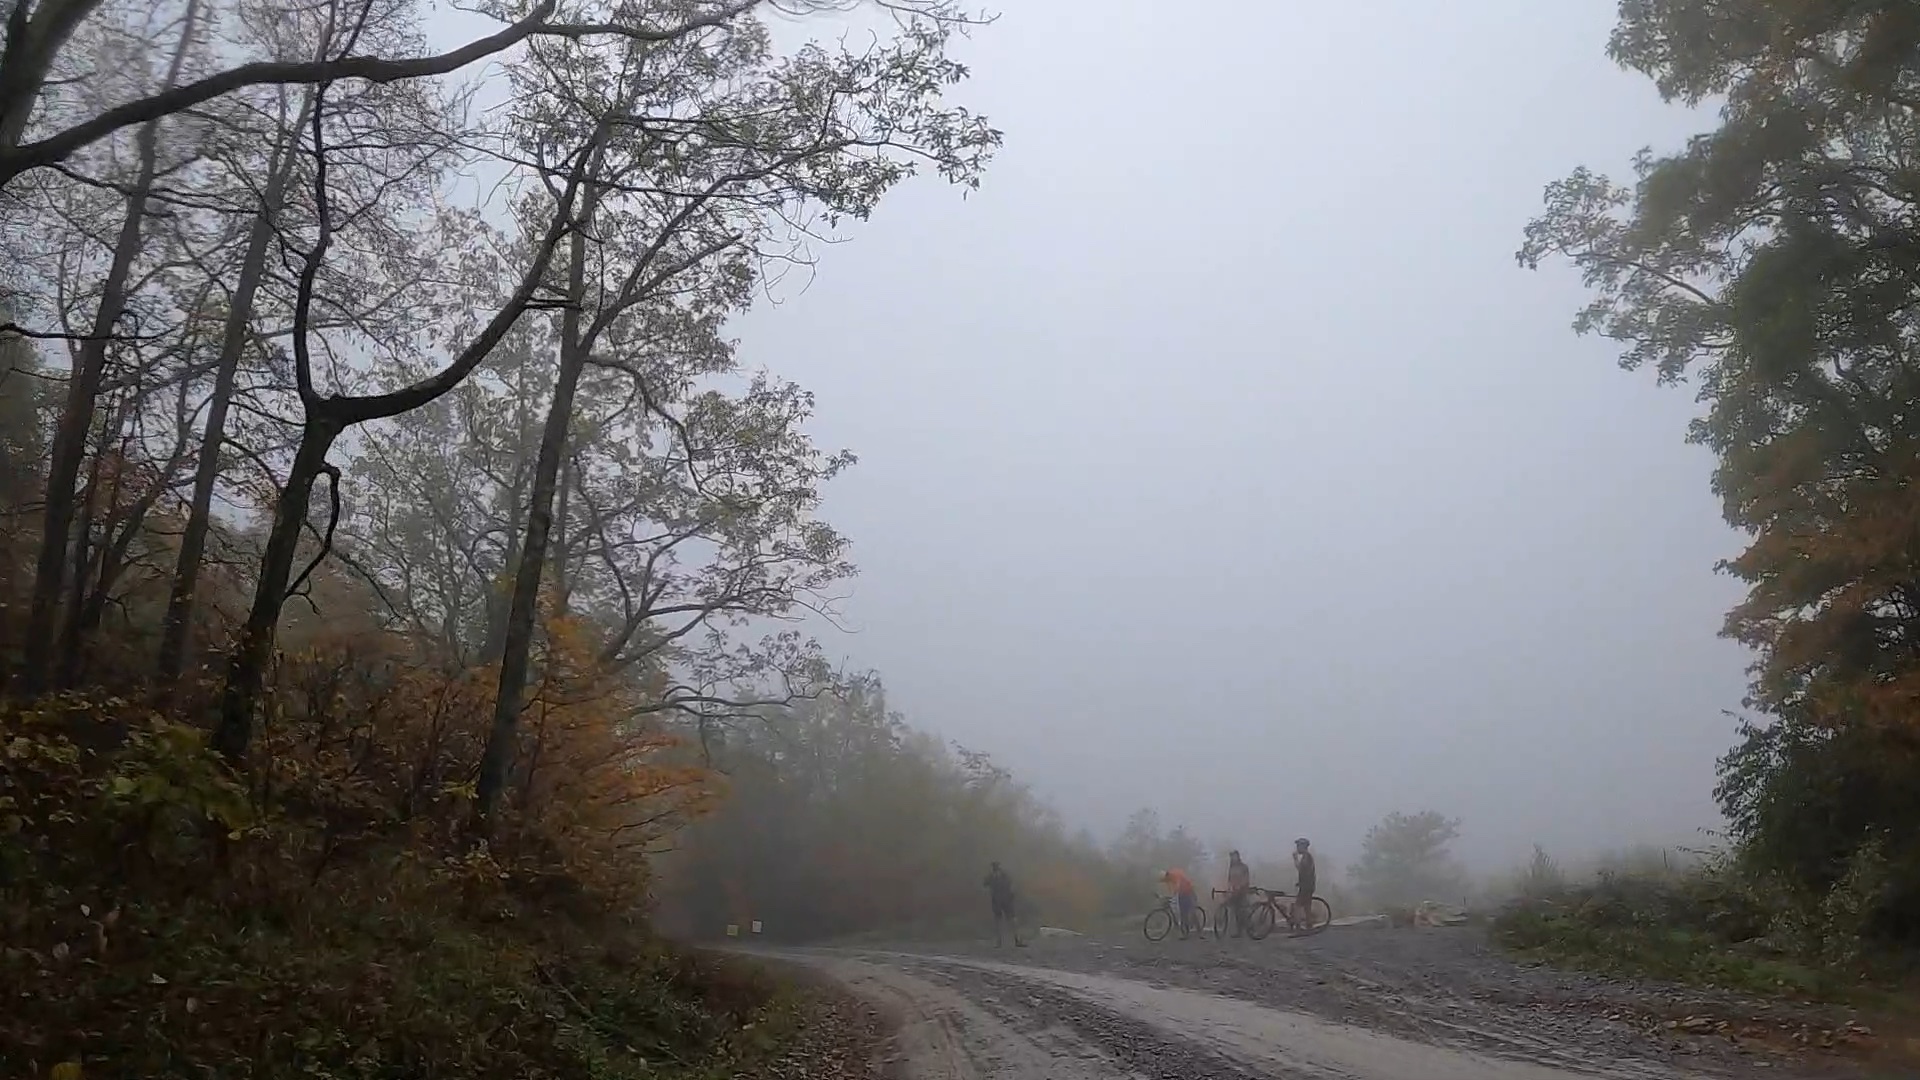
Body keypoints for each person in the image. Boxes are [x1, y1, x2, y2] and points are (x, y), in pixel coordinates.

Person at [984, 861, 1025, 947]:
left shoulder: (995, 876)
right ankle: (1015, 940)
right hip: (1004, 900)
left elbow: (985, 884)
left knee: (1002, 921)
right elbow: (1012, 886)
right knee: (1009, 920)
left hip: (1001, 900)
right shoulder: (1002, 876)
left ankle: (1002, 941)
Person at [1161, 867, 1199, 937]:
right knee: (1183, 913)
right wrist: (1164, 895)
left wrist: (1174, 893)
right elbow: (1168, 887)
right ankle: (1186, 931)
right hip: (1182, 893)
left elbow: (1178, 885)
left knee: (1187, 912)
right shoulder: (1169, 877)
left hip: (1188, 892)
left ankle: (1196, 930)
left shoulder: (1175, 875)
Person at [1291, 837, 1317, 929]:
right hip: (1308, 885)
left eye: (1298, 846)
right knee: (1307, 905)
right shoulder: (1307, 857)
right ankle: (1309, 924)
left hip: (1306, 886)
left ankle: (1297, 925)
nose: (1297, 848)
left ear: (1303, 847)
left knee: (1298, 905)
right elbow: (1306, 873)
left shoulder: (1307, 857)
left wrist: (1295, 860)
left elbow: (1301, 869)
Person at [1225, 850, 1252, 936]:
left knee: (1242, 910)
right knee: (1236, 911)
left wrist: (1241, 886)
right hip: (1234, 891)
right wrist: (1229, 888)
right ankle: (1239, 930)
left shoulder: (1243, 867)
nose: (1233, 858)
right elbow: (1229, 879)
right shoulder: (1231, 868)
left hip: (1242, 890)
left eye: (1234, 856)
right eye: (1232, 856)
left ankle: (1249, 925)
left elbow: (1246, 878)